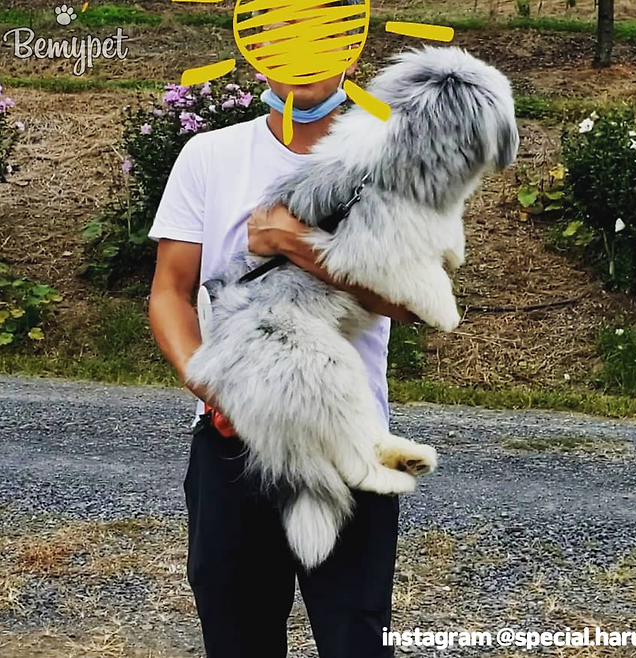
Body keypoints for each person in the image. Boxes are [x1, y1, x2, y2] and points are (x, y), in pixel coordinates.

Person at [147, 12, 417, 656]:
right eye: (283, 35)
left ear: (350, 48)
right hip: (231, 443)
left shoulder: (391, 161)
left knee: (354, 640)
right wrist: (211, 387)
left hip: (348, 446)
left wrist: (296, 246)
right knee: (237, 639)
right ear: (257, 48)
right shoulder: (209, 156)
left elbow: (412, 302)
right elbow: (168, 293)